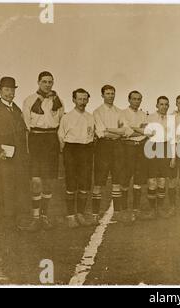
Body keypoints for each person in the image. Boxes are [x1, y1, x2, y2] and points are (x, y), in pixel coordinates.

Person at [22, 71, 64, 232]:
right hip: (36, 140)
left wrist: (59, 144)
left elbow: (60, 121)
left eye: (50, 82)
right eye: (45, 81)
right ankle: (35, 218)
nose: (48, 84)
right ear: (38, 82)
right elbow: (27, 123)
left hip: (51, 140)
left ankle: (44, 217)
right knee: (36, 180)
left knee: (48, 181)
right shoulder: (29, 100)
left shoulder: (58, 101)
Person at [0, 77, 29, 231]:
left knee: (18, 186)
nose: (10, 93)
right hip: (4, 156)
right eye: (6, 90)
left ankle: (16, 220)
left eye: (12, 90)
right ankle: (7, 221)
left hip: (19, 155)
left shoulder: (17, 109)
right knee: (5, 187)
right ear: (0, 91)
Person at [92, 85, 132, 225]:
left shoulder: (119, 111)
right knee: (99, 180)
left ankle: (118, 213)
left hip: (117, 147)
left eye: (112, 93)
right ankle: (95, 213)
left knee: (117, 180)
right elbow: (101, 132)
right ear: (102, 95)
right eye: (108, 93)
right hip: (103, 147)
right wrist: (117, 130)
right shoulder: (97, 112)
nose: (110, 96)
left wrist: (110, 129)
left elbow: (127, 131)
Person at [58, 88, 95, 228]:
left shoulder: (90, 117)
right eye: (79, 99)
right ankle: (70, 216)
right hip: (71, 149)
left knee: (85, 183)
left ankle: (80, 213)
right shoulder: (67, 117)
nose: (82, 102)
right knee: (71, 183)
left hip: (86, 149)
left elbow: (91, 134)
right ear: (74, 100)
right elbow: (61, 136)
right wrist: (66, 151)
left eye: (85, 99)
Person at [118, 91, 149, 222]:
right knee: (125, 178)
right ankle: (124, 210)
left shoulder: (143, 114)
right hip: (128, 147)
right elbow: (126, 132)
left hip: (141, 147)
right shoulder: (122, 113)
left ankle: (136, 210)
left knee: (138, 179)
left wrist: (133, 128)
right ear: (129, 100)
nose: (136, 101)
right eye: (134, 99)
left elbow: (146, 131)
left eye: (139, 99)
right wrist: (137, 130)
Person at [144, 96, 173, 220]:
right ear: (157, 105)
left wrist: (173, 157)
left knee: (162, 180)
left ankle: (160, 208)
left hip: (165, 148)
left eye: (166, 104)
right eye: (161, 104)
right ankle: (152, 209)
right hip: (152, 147)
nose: (164, 107)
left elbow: (172, 139)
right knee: (152, 180)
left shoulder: (171, 119)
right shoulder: (149, 117)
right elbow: (145, 134)